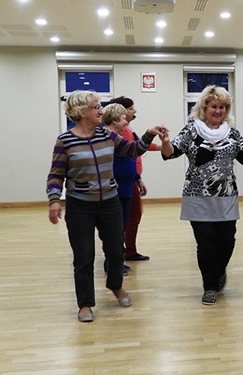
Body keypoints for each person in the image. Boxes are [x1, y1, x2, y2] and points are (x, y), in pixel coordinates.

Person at [46, 90, 166, 322]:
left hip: (109, 202)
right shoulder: (65, 140)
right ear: (82, 111)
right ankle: (85, 304)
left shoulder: (106, 134)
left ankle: (115, 285)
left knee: (116, 250)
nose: (101, 111)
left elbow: (132, 150)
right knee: (84, 255)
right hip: (80, 206)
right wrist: (54, 200)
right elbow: (56, 174)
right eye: (96, 107)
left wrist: (149, 135)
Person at [160, 86, 243, 306]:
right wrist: (166, 141)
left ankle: (219, 271)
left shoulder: (232, 133)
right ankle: (209, 287)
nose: (218, 111)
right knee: (206, 244)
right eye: (214, 106)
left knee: (227, 242)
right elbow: (171, 154)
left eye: (223, 107)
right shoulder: (191, 130)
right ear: (204, 107)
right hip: (197, 197)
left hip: (226, 197)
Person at [110, 96, 158, 262]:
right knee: (129, 217)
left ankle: (124, 251)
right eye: (130, 109)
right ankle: (125, 252)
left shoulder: (126, 129)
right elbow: (133, 150)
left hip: (130, 178)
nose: (134, 111)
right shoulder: (119, 133)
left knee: (129, 216)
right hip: (124, 181)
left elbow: (137, 146)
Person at [101, 103, 136, 276]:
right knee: (114, 231)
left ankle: (116, 262)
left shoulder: (120, 137)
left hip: (126, 189)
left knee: (121, 228)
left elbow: (130, 159)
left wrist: (137, 178)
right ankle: (112, 264)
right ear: (115, 120)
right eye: (123, 118)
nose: (126, 122)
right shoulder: (107, 139)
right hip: (114, 191)